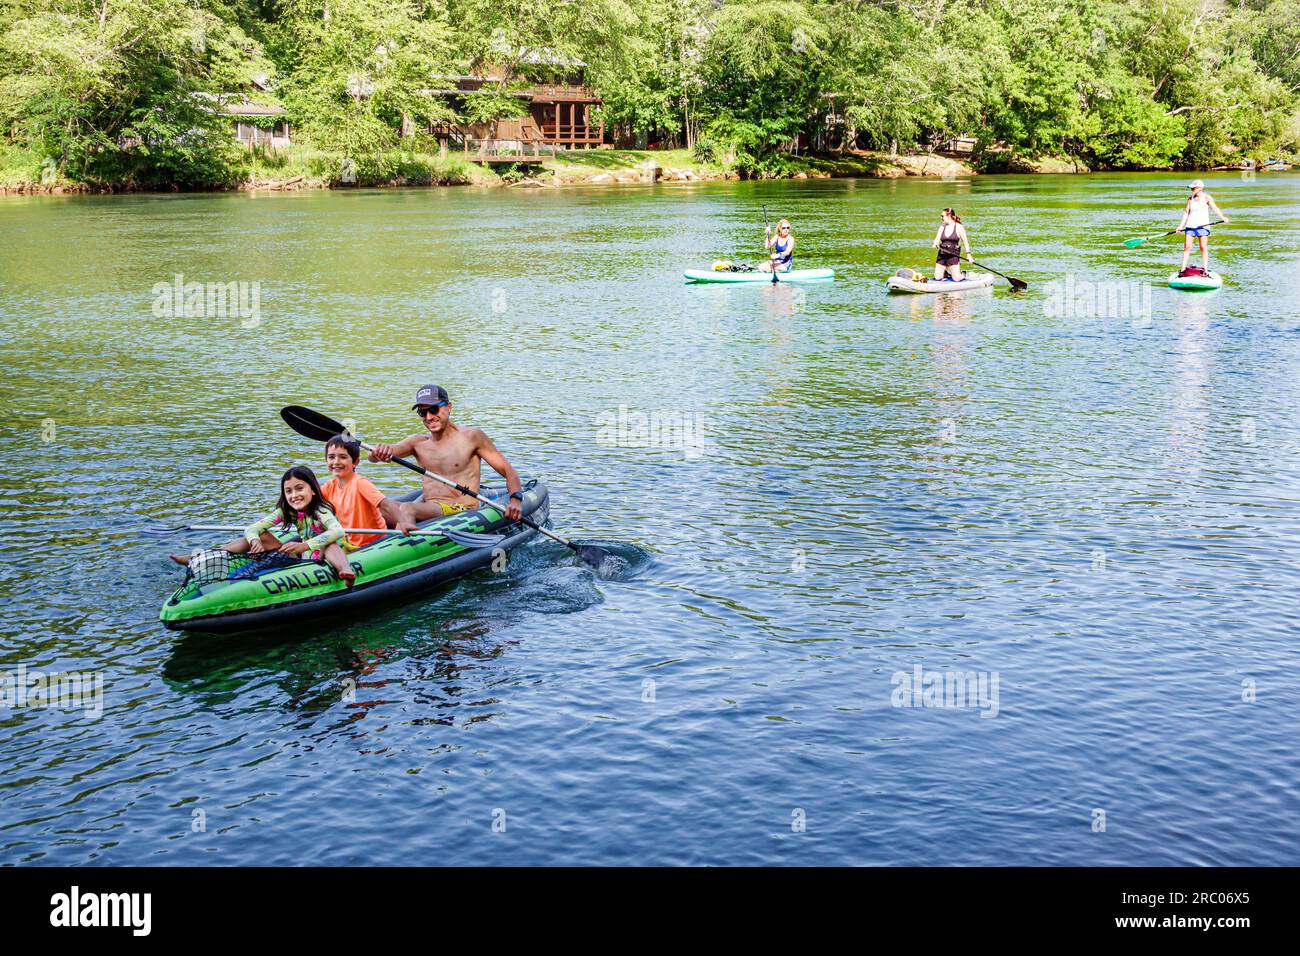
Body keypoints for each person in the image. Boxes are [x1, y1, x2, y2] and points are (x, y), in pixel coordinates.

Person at [171, 466, 356, 586]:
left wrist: (305, 545)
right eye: (289, 491)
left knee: (329, 543)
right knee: (262, 536)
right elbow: (252, 528)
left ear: (313, 491)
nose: (294, 495)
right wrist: (255, 540)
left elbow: (338, 531)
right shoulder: (287, 511)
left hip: (325, 552)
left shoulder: (321, 510)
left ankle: (345, 569)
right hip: (303, 555)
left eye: (300, 488)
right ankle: (203, 557)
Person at [367, 385, 525, 525]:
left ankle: (403, 548)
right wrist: (378, 452)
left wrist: (516, 500)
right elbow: (375, 456)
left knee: (407, 508)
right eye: (423, 412)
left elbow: (508, 471)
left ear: (449, 407)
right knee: (375, 505)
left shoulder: (471, 437)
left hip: (462, 511)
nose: (429, 417)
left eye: (434, 409)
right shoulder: (417, 443)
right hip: (430, 510)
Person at [320, 433, 414, 549]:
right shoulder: (330, 486)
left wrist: (402, 522)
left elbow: (386, 505)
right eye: (331, 457)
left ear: (355, 462)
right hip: (350, 543)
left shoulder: (360, 483)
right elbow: (312, 500)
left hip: (374, 544)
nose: (336, 462)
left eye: (343, 457)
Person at [1177, 180, 1228, 275]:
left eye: (1194, 188)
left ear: (1200, 188)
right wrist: (1180, 226)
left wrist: (1222, 217)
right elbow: (1186, 213)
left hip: (1202, 227)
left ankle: (1205, 269)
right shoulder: (1190, 199)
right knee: (1187, 247)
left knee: (1203, 247)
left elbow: (1215, 208)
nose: (1192, 189)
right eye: (1191, 188)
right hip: (1190, 226)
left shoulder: (1207, 197)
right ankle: (1183, 269)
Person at [932, 208, 972, 281]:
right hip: (942, 255)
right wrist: (935, 244)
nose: (941, 218)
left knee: (957, 279)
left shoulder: (959, 227)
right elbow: (937, 239)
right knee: (937, 278)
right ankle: (946, 274)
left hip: (953, 255)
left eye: (942, 216)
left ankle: (963, 274)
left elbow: (965, 241)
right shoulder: (942, 227)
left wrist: (968, 254)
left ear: (949, 215)